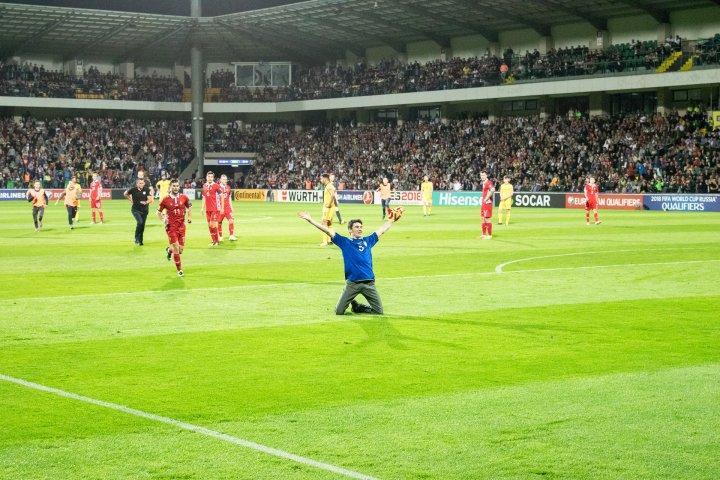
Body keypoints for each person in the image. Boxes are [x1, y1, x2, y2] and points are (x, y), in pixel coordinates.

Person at [297, 209, 402, 315]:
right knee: (339, 312)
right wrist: (310, 220)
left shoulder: (368, 240)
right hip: (352, 284)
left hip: (369, 283)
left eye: (361, 227)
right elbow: (327, 231)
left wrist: (391, 220)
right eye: (357, 227)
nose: (360, 229)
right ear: (350, 230)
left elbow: (382, 230)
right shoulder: (345, 242)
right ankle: (353, 305)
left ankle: (358, 307)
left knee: (379, 312)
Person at [157, 179, 192, 277]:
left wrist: (189, 217)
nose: (176, 187)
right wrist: (164, 220)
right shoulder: (165, 199)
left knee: (180, 251)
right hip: (171, 227)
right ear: (170, 187)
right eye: (174, 186)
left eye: (177, 186)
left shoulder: (184, 197)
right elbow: (158, 213)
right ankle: (179, 270)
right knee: (176, 248)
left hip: (182, 227)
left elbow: (190, 206)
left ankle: (169, 250)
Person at [124, 178, 153, 245]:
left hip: (144, 211)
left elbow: (150, 200)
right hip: (135, 210)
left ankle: (140, 240)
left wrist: (146, 202)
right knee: (140, 222)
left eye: (142, 183)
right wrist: (130, 200)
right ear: (137, 184)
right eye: (140, 183)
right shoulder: (133, 190)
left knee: (142, 226)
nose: (141, 184)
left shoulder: (147, 189)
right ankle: (136, 238)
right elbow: (125, 194)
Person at [201, 170, 224, 246]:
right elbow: (204, 197)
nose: (210, 178)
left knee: (212, 224)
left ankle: (216, 241)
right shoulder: (204, 185)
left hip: (215, 208)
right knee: (209, 225)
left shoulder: (216, 186)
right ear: (206, 177)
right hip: (208, 209)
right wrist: (202, 208)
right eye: (208, 176)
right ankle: (213, 240)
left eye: (211, 177)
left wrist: (222, 207)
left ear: (213, 178)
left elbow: (222, 196)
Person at [217, 174, 237, 241]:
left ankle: (231, 236)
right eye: (223, 179)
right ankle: (221, 237)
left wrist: (231, 207)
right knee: (219, 222)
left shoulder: (228, 187)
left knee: (231, 220)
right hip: (220, 208)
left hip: (227, 207)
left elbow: (229, 198)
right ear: (220, 180)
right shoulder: (217, 187)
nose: (225, 180)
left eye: (226, 179)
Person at [319, 173, 336, 246]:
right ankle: (330, 240)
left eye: (321, 178)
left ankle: (324, 242)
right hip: (331, 208)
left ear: (325, 179)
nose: (321, 180)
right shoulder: (329, 186)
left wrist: (328, 204)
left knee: (324, 223)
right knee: (329, 224)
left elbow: (332, 195)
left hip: (328, 208)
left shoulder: (329, 186)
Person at [480, 171, 495, 239]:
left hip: (487, 203)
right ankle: (483, 234)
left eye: (483, 175)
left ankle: (489, 235)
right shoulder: (484, 183)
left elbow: (493, 189)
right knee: (482, 218)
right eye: (481, 175)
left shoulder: (488, 182)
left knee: (487, 218)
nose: (482, 176)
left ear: (486, 175)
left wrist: (487, 198)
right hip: (483, 203)